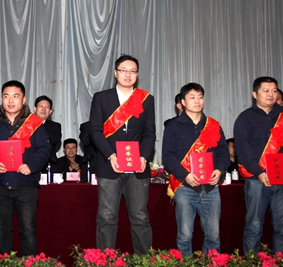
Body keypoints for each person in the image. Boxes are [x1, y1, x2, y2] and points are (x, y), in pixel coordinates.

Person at [89, 54, 156, 255]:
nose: (128, 75)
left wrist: (144, 157)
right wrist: (111, 155)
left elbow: (149, 133)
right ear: (115, 73)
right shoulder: (101, 98)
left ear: (137, 74)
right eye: (124, 70)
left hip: (138, 168)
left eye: (133, 71)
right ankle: (106, 266)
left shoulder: (146, 99)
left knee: (140, 218)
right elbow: (95, 131)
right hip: (109, 165)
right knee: (107, 217)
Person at [0, 81, 50, 257]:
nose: (11, 101)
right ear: (1, 98)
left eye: (15, 96)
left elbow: (44, 150)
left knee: (28, 230)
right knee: (2, 232)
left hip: (26, 185)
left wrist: (31, 166)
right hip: (0, 185)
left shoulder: (34, 123)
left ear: (23, 99)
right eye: (6, 96)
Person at [233, 76, 283, 258]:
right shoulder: (245, 118)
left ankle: (282, 266)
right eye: (266, 91)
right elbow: (243, 150)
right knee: (254, 226)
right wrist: (259, 172)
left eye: (274, 91)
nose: (271, 94)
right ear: (255, 94)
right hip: (257, 180)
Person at [162, 83, 229, 256]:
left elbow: (223, 153)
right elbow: (167, 157)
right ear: (183, 102)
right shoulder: (173, 126)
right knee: (185, 235)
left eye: (200, 97)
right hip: (185, 187)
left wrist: (220, 170)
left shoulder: (213, 125)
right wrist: (184, 175)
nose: (197, 101)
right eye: (192, 97)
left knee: (213, 235)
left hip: (211, 188)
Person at [34, 95, 61, 168]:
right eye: (41, 106)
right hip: (30, 163)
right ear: (35, 109)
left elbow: (54, 140)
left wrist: (39, 124)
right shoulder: (26, 125)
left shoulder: (55, 126)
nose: (43, 109)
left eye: (47, 107)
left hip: (50, 163)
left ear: (50, 111)